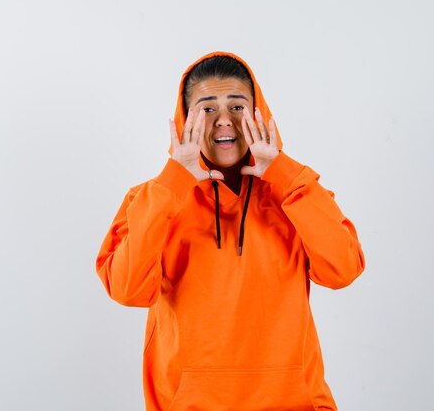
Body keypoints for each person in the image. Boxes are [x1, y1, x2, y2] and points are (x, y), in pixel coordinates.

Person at [96, 51, 365, 411]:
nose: (224, 120)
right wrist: (174, 181)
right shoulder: (154, 199)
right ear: (184, 121)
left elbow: (343, 269)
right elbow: (128, 290)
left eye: (237, 107)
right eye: (207, 109)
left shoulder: (295, 194)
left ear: (259, 115)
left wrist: (283, 173)